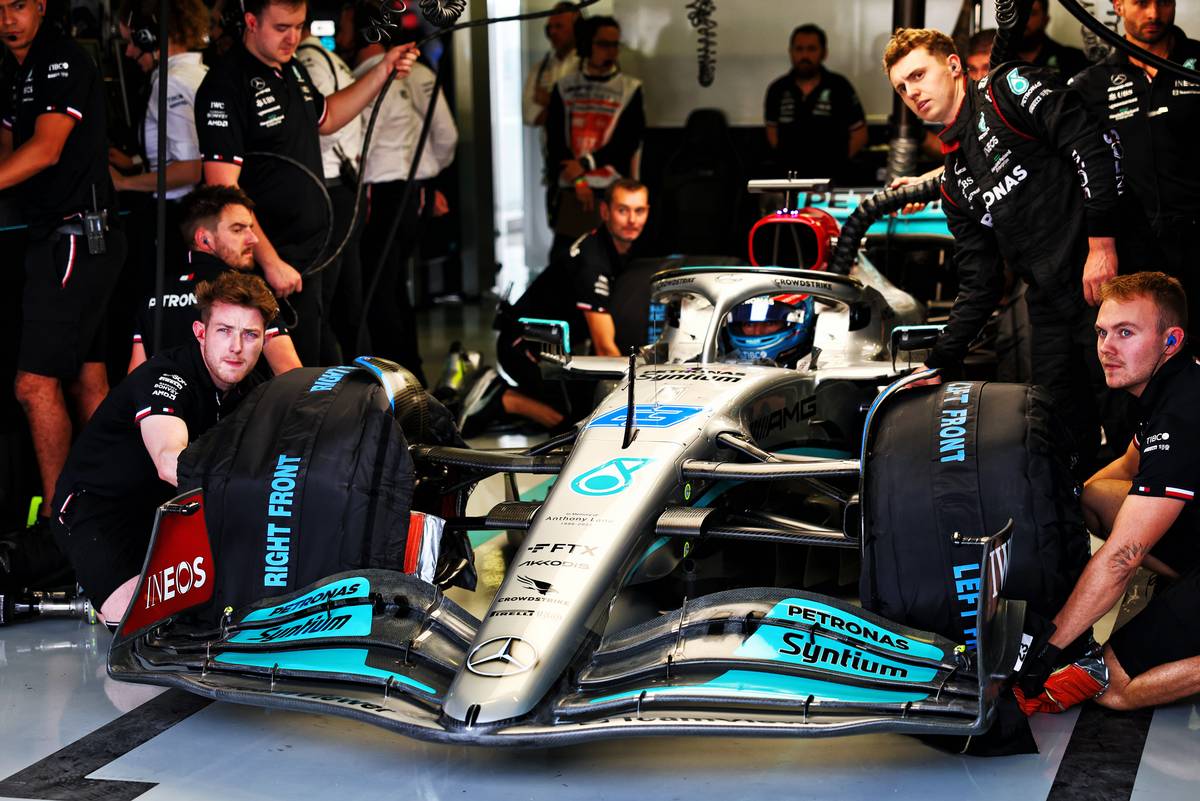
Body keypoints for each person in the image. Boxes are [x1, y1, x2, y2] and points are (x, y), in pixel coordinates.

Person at [883, 28, 1127, 467]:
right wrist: (941, 359)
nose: (912, 92)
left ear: (953, 65)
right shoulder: (954, 181)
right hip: (1050, 302)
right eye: (902, 87)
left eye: (918, 75)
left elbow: (1089, 144)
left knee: (1132, 421)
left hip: (1107, 280)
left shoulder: (1006, 89)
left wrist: (1103, 245)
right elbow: (980, 282)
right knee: (1059, 434)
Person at [1015, 272, 1200, 714]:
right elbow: (1126, 468)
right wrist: (1066, 495)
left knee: (1110, 684)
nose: (1106, 347)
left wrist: (1045, 651)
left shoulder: (1182, 411)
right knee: (1096, 499)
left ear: (1170, 340)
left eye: (1125, 333)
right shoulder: (1171, 384)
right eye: (1101, 332)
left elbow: (1122, 556)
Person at [194, 0, 418, 366]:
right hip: (268, 265)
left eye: (299, 26)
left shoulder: (289, 68)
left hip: (309, 257)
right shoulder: (224, 84)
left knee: (316, 364)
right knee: (284, 382)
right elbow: (223, 190)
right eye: (282, 28)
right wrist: (270, 261)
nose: (293, 37)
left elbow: (327, 117)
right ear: (251, 22)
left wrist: (383, 71)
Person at [51, 271, 276, 625]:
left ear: (264, 340)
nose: (236, 347)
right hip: (96, 509)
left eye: (250, 335)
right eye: (224, 331)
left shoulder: (256, 391)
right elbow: (169, 461)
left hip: (162, 514)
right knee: (140, 626)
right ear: (201, 333)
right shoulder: (167, 376)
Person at [0, 0, 129, 529]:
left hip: (77, 237)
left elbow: (46, 149)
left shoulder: (61, 59)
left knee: (33, 385)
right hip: (67, 237)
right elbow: (8, 147)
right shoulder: (17, 69)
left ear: (43, 6)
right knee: (87, 380)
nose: (8, 17)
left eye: (19, 5)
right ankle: (110, 506)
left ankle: (62, 521)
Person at [459, 179, 650, 437]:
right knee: (574, 429)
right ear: (605, 212)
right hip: (523, 344)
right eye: (623, 210)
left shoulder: (625, 248)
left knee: (587, 405)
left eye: (639, 211)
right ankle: (501, 396)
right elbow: (605, 348)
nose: (632, 220)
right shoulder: (593, 262)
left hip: (559, 344)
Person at [1070, 0, 1200, 325]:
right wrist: (1100, 246)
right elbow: (1079, 174)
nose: (1154, 14)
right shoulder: (1090, 85)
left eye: (1164, 2)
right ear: (1118, 5)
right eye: (1141, 2)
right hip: (1134, 254)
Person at [354, 31, 458, 386]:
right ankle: (410, 376)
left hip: (382, 192)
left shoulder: (367, 78)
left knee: (381, 290)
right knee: (395, 287)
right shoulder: (420, 73)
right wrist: (426, 177)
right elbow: (446, 137)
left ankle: (398, 380)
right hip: (412, 191)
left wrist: (422, 174)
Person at [128, 185, 301, 375]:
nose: (253, 239)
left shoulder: (153, 296)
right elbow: (289, 372)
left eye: (251, 229)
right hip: (238, 404)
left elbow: (136, 381)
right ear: (204, 239)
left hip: (168, 403)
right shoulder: (247, 290)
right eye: (238, 230)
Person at [296, 8, 365, 363]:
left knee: (325, 307)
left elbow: (325, 124)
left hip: (330, 187)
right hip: (344, 185)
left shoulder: (307, 61)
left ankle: (335, 395)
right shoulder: (332, 58)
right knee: (345, 304)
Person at [545, 15, 643, 262]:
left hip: (612, 189)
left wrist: (586, 164)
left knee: (613, 263)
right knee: (566, 261)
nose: (611, 51)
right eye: (604, 44)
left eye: (615, 45)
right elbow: (554, 141)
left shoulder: (629, 88)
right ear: (587, 45)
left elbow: (627, 142)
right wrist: (578, 180)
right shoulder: (564, 87)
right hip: (573, 189)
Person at [109, 0, 208, 200]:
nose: (128, 52)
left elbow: (190, 169)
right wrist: (135, 161)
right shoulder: (199, 73)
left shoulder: (170, 83)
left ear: (149, 38)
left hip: (177, 209)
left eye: (131, 41)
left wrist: (123, 183)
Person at [764, 24, 867, 184]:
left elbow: (859, 135)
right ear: (791, 52)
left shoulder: (840, 87)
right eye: (799, 49)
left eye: (811, 49)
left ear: (824, 53)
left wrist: (836, 164)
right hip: (788, 182)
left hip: (832, 182)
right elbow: (772, 132)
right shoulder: (777, 89)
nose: (804, 55)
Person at [1019, 0, 1090, 77]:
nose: (1023, 19)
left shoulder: (1074, 60)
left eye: (1031, 13)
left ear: (1045, 20)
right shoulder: (1004, 59)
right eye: (1019, 13)